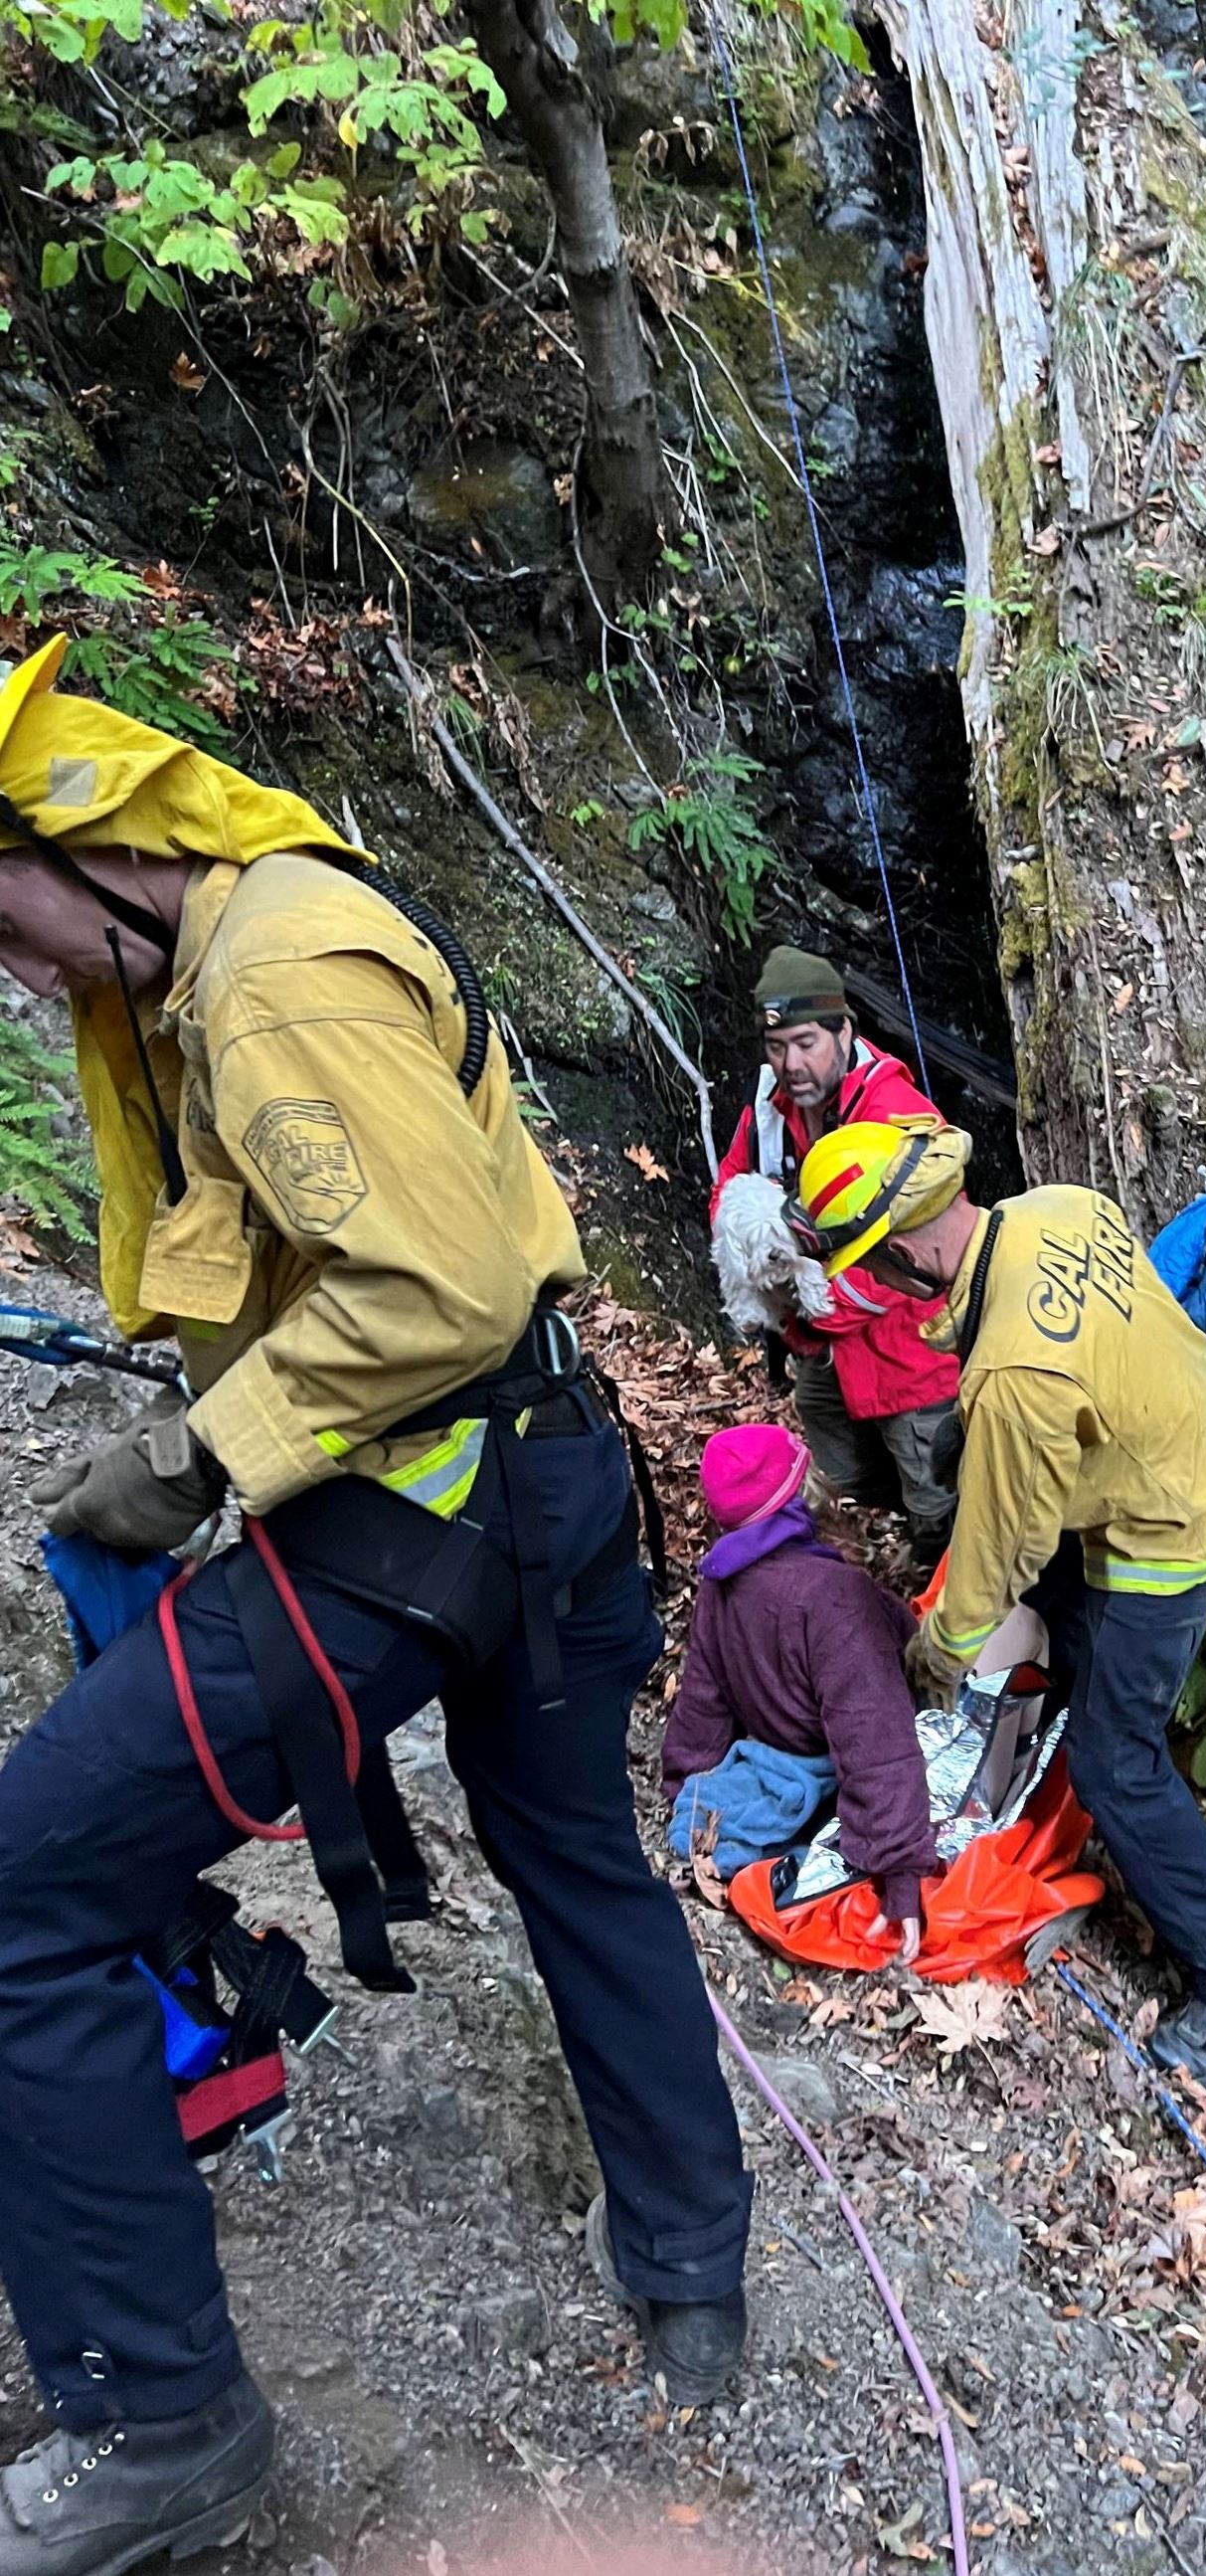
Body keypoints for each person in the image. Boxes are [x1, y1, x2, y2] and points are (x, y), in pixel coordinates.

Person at [0, 639, 754, 2576]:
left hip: (417, 1516)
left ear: (71, 841)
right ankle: (693, 2275)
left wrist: (193, 1459)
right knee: (578, 1851)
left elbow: (431, 1292)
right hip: (540, 1486)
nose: (4, 964)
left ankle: (159, 2419)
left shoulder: (267, 984)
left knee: (20, 1899)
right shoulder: (235, 945)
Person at [787, 1118, 1206, 2086]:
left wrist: (933, 1659)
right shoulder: (1051, 1209)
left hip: (1169, 1525)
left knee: (1117, 1763)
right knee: (1051, 1602)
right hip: (1190, 1440)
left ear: (901, 1255)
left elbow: (998, 1552)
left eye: (873, 1270)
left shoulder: (1012, 1376)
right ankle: (1063, 1675)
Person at [711, 946, 957, 1563]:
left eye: (804, 1043)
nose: (789, 1065)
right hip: (825, 1347)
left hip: (909, 1352)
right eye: (775, 1048)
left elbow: (905, 1259)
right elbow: (733, 1184)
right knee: (847, 1469)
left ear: (843, 1030)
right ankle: (903, 1534)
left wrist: (801, 1312)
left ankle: (941, 1578)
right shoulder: (773, 1108)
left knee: (938, 1498)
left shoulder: (894, 1115)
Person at [661, 1424, 936, 1962]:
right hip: (836, 1776)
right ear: (798, 1493)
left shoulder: (723, 1581)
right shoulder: (834, 1597)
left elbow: (703, 1702)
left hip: (778, 1758)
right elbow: (872, 1735)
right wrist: (900, 1870)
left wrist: (687, 1789)